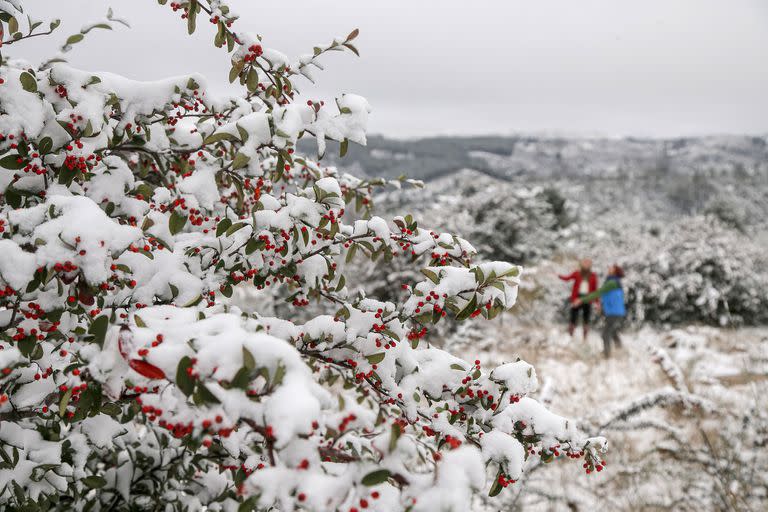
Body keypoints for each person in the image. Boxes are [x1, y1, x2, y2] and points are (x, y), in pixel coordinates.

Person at [578, 264, 626, 357]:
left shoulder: (612, 282)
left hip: (614, 313)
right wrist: (600, 305)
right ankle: (620, 351)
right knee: (613, 332)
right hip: (615, 312)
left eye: (612, 268)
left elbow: (599, 292)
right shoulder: (613, 282)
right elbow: (607, 296)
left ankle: (607, 355)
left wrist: (581, 300)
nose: (609, 268)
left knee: (605, 334)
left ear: (615, 271)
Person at [558, 258, 598, 340]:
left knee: (586, 318)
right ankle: (570, 336)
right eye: (584, 263)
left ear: (590, 265)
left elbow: (595, 289)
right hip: (577, 297)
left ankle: (585, 338)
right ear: (581, 264)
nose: (586, 264)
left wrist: (597, 302)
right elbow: (567, 278)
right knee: (573, 316)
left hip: (587, 298)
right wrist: (558, 275)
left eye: (588, 263)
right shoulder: (577, 273)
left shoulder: (593, 276)